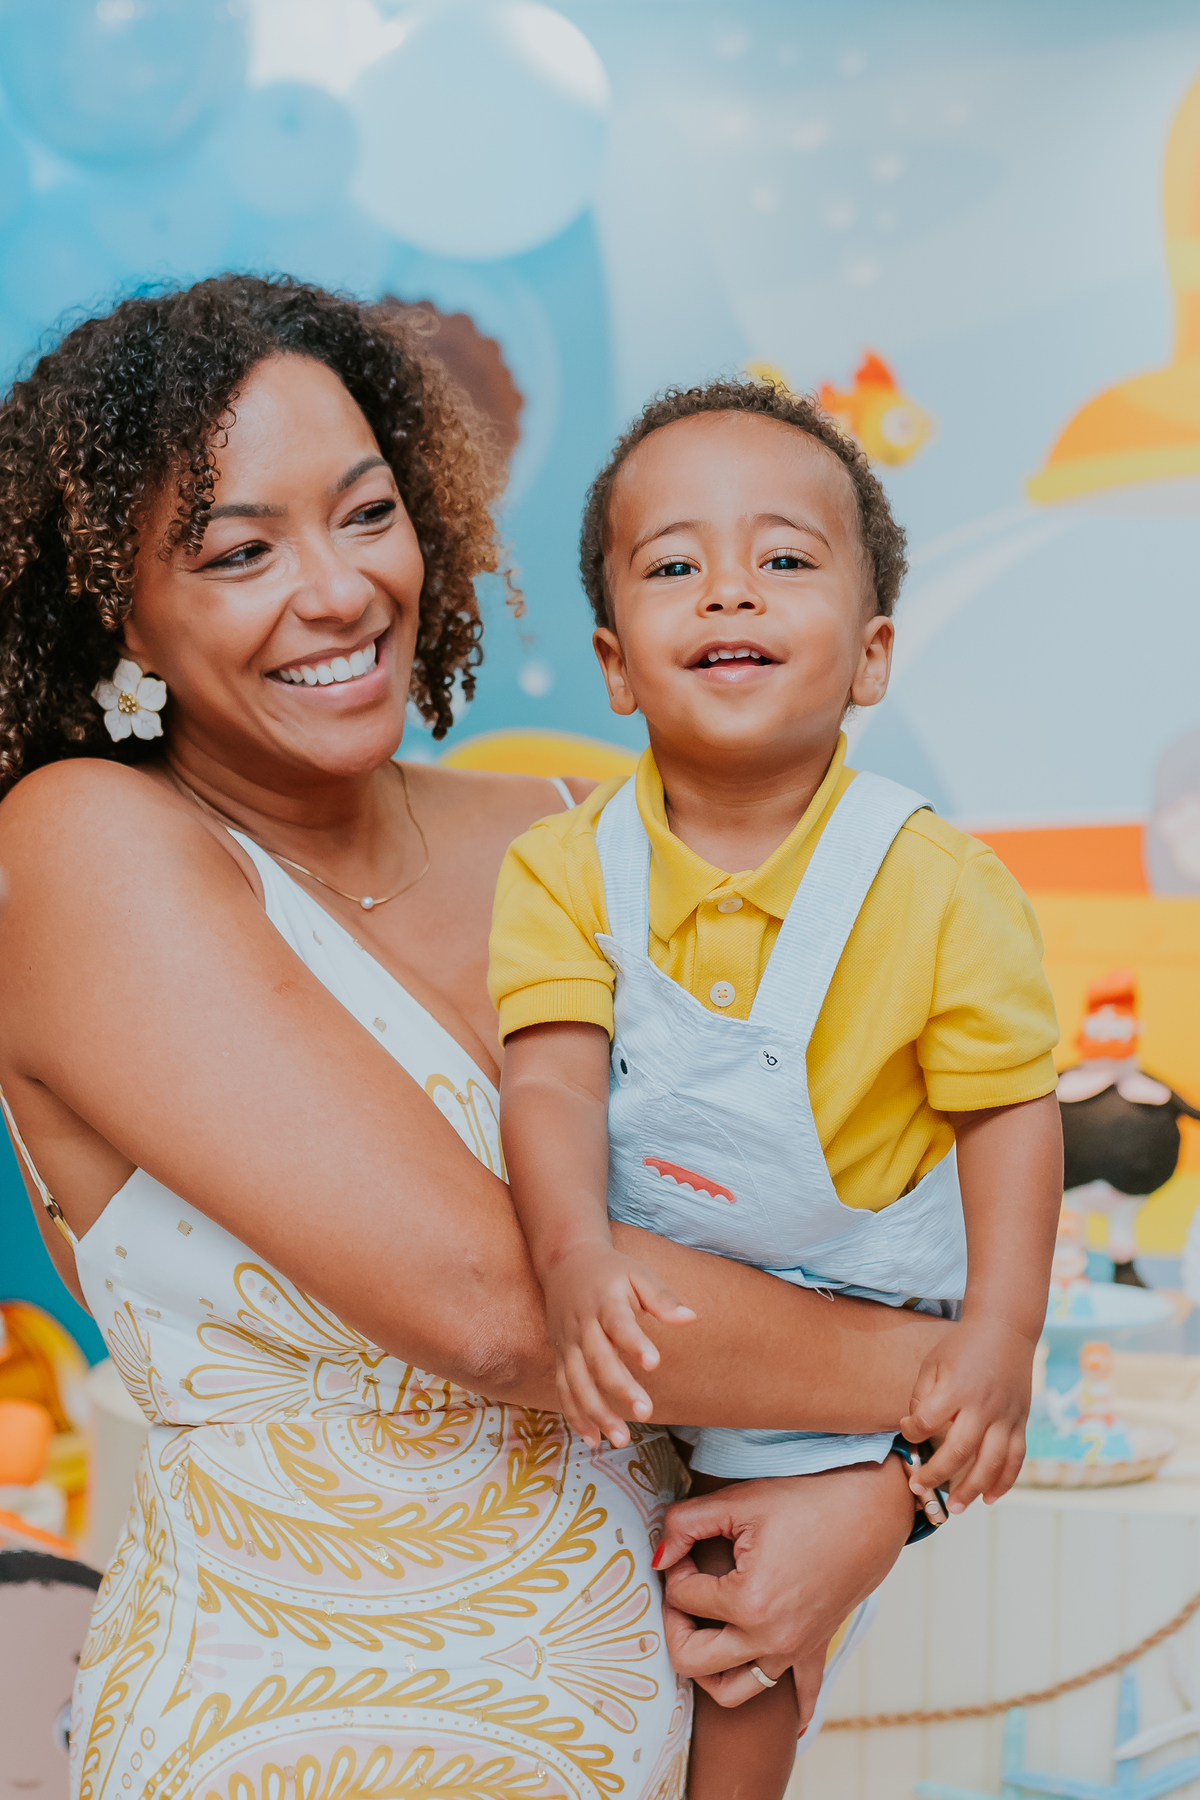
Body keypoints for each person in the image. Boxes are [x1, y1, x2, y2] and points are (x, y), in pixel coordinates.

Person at [0, 279, 955, 1799]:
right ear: (113, 604)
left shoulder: (593, 837)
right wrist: (962, 1384)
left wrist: (892, 1498)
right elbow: (498, 1309)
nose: (337, 590)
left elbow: (846, 1228)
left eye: (366, 513)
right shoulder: (80, 850)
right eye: (241, 551)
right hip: (294, 1744)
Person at [490, 379, 1065, 1797]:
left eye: (785, 559)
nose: (729, 591)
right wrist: (569, 1256)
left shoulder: (939, 885)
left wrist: (1002, 1333)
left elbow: (1007, 1113)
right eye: (674, 566)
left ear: (871, 656)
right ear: (617, 665)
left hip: (852, 1319)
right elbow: (551, 1084)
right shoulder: (562, 872)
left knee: (734, 1638)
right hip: (655, 1291)